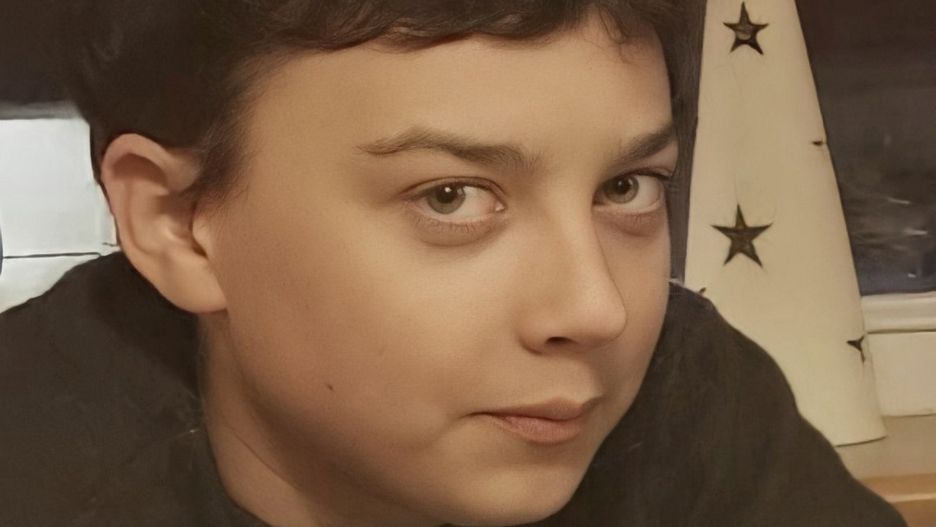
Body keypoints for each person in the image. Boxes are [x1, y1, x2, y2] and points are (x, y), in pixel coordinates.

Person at [0, 1, 907, 526]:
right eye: (451, 197)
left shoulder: (686, 399)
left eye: (626, 188)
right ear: (179, 224)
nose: (596, 309)